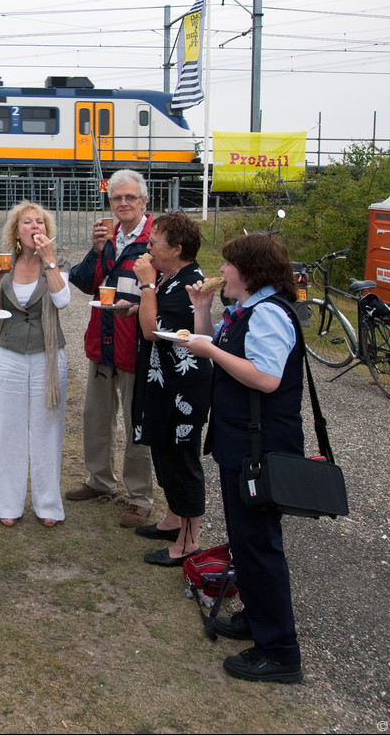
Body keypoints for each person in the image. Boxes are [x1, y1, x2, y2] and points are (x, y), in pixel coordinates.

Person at [181, 233, 305, 683]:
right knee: (246, 541)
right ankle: (258, 618)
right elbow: (224, 349)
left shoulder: (269, 314)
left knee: (258, 546)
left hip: (261, 446)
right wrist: (203, 313)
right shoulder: (249, 310)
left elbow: (267, 378)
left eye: (229, 264)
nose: (223, 270)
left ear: (249, 272)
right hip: (241, 443)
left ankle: (280, 652)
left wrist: (210, 349)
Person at [66, 168, 156, 527]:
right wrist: (96, 249)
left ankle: (139, 496)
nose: (123, 203)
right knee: (96, 417)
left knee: (136, 424)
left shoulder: (154, 240)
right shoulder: (111, 235)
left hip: (136, 344)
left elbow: (165, 289)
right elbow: (84, 282)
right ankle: (99, 479)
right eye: (117, 198)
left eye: (130, 197)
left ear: (144, 201)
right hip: (103, 339)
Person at [129, 213, 212, 566]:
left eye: (154, 243)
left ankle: (189, 542)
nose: (148, 249)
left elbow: (152, 330)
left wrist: (146, 286)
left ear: (177, 248)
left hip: (182, 391)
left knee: (181, 459)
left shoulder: (191, 282)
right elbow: (158, 319)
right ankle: (174, 519)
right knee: (163, 450)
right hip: (160, 383)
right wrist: (134, 306)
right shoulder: (172, 278)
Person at [0, 202, 70, 528]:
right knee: (9, 429)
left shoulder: (58, 263)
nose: (34, 226)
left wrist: (48, 262)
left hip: (48, 357)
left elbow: (62, 302)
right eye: (26, 222)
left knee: (48, 428)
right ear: (16, 231)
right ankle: (7, 503)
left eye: (39, 222)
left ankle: (48, 504)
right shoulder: (6, 264)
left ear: (46, 230)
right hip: (10, 354)